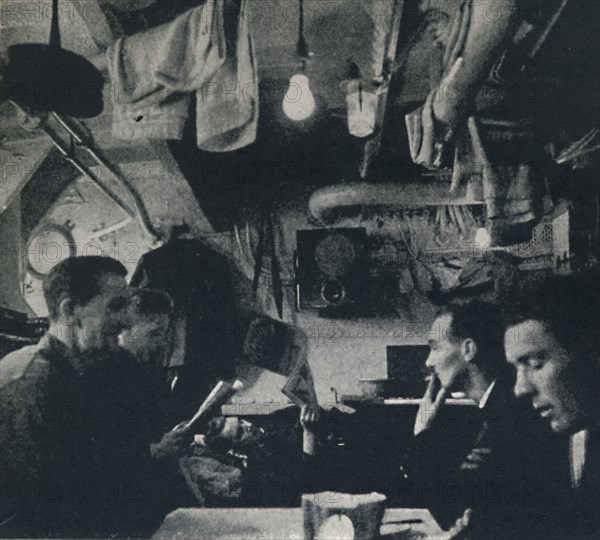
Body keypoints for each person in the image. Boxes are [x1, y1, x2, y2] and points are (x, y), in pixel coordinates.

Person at [0, 256, 189, 538]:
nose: (126, 321)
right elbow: (52, 503)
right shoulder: (32, 384)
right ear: (69, 310)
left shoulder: (102, 364)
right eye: (115, 306)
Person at [398, 301, 557, 538]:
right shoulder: (497, 403)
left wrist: (423, 435)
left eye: (435, 348)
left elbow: (455, 509)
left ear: (469, 349)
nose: (428, 362)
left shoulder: (511, 413)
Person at [503, 271, 600, 539]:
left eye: (535, 364)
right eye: (516, 368)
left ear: (590, 354)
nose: (520, 389)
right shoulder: (579, 437)